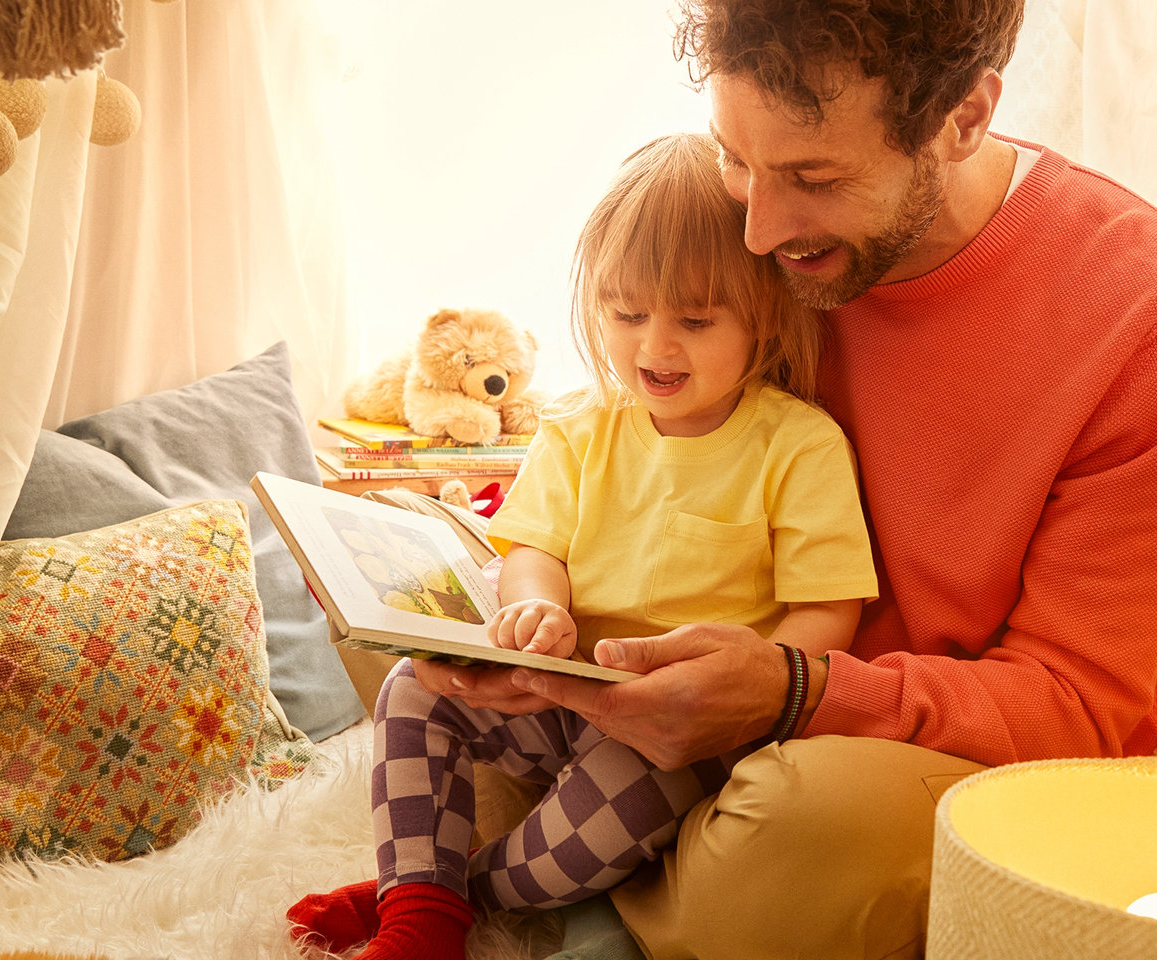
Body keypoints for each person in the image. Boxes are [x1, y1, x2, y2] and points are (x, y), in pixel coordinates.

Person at [422, 3, 1157, 958]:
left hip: (883, 737)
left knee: (803, 842)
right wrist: (509, 629)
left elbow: (1080, 707)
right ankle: (608, 854)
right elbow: (624, 451)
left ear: (964, 119)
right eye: (734, 159)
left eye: (811, 178)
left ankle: (587, 880)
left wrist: (797, 692)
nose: (756, 230)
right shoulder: (752, 221)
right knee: (413, 629)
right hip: (670, 676)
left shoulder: (1148, 313)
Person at [284, 132, 878, 960]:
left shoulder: (798, 446)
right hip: (561, 690)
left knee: (619, 808)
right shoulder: (580, 425)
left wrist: (748, 694)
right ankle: (421, 910)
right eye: (626, 314)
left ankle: (434, 898)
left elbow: (827, 610)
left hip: (677, 732)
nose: (653, 347)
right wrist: (534, 605)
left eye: (695, 320)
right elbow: (533, 546)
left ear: (764, 316)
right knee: (410, 697)